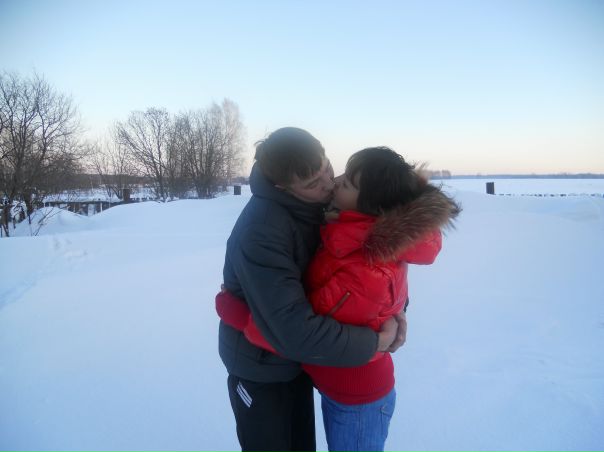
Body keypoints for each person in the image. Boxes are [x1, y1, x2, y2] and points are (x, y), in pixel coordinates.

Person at [218, 146, 461, 451]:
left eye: (340, 179)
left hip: (356, 396)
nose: (332, 183)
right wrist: (388, 316)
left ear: (371, 205)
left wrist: (237, 315)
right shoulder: (347, 231)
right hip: (328, 383)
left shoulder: (363, 262)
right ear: (283, 187)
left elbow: (300, 332)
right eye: (339, 176)